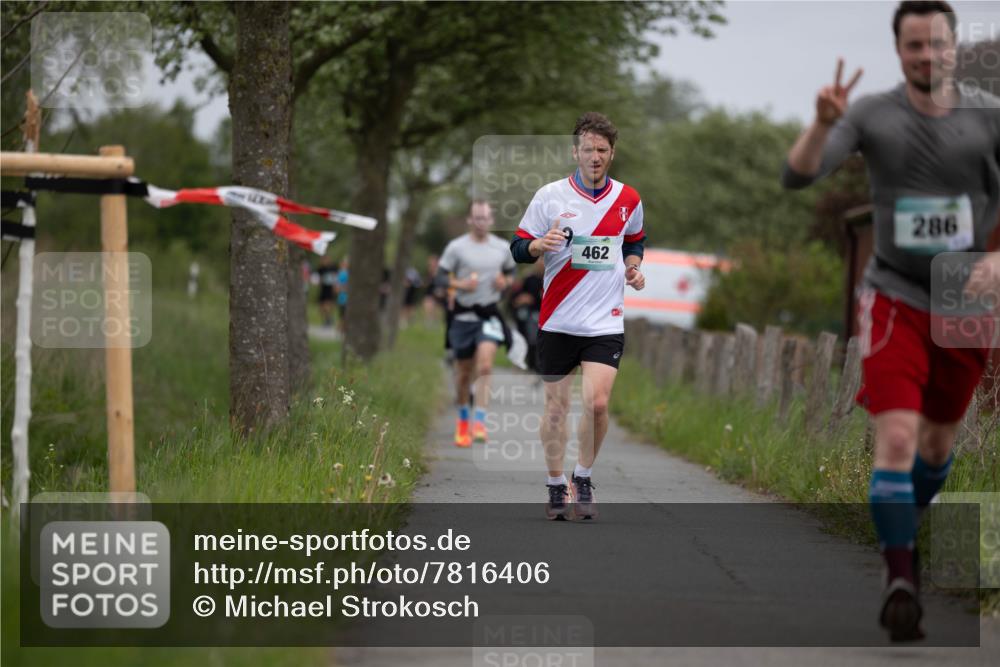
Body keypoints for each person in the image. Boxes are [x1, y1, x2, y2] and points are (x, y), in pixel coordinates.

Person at [781, 1, 1000, 642]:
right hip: (894, 293)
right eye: (913, 47)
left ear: (955, 47)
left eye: (937, 45)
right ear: (897, 50)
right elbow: (798, 174)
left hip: (963, 296)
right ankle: (900, 578)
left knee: (936, 448)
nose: (926, 57)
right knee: (898, 441)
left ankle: (905, 526)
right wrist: (820, 125)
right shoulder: (872, 113)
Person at [510, 112, 646, 521]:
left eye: (602, 150)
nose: (595, 156)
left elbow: (635, 240)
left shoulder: (628, 199)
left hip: (605, 321)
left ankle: (582, 476)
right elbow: (517, 248)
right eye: (588, 149)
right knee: (556, 410)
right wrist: (538, 245)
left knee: (599, 403)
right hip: (557, 320)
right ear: (576, 151)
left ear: (612, 154)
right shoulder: (550, 195)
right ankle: (555, 485)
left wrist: (635, 266)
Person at [437, 200, 517, 447]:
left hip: (489, 316)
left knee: (484, 367)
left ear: (491, 221)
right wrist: (461, 285)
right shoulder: (456, 247)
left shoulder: (502, 248)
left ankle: (479, 422)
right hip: (462, 317)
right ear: (470, 220)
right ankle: (463, 421)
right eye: (477, 218)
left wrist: (505, 282)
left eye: (485, 218)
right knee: (463, 373)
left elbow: (511, 274)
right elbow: (440, 278)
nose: (481, 222)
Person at [315, 256, 337, 328]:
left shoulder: (332, 267)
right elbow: (319, 278)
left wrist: (335, 287)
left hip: (329, 288)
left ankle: (328, 319)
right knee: (322, 306)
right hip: (323, 289)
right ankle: (326, 319)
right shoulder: (321, 269)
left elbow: (334, 277)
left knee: (328, 304)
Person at [335, 257, 350, 332]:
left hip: (342, 297)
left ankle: (341, 328)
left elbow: (337, 287)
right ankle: (341, 328)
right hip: (344, 297)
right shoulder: (344, 273)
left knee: (343, 314)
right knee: (344, 315)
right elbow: (338, 286)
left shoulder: (341, 273)